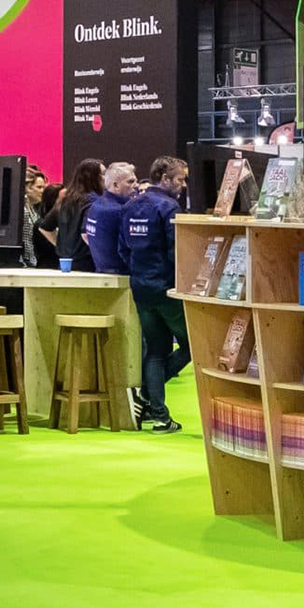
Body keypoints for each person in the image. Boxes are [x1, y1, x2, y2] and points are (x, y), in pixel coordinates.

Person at [121, 155, 191, 431]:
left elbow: (123, 248)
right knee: (191, 345)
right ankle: (151, 400)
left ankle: (157, 411)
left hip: (140, 286)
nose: (183, 185)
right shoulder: (169, 208)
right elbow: (177, 252)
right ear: (164, 178)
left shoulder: (130, 205)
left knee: (156, 350)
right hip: (165, 288)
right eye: (180, 179)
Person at [42, 160, 104, 272]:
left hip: (64, 262)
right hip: (87, 264)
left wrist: (61, 246)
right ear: (94, 178)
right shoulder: (94, 201)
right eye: (103, 174)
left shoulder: (65, 200)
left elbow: (45, 228)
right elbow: (86, 234)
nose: (106, 178)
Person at [84, 161, 138, 275]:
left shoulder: (95, 206)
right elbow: (130, 247)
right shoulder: (120, 211)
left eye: (136, 181)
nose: (136, 185)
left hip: (101, 270)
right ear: (116, 185)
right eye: (130, 181)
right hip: (120, 274)